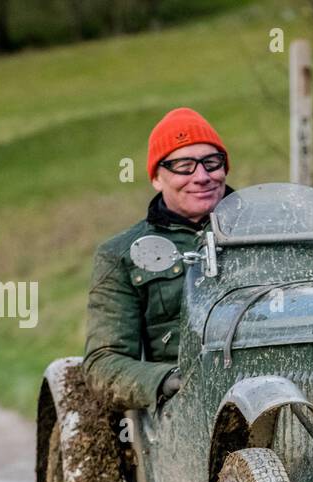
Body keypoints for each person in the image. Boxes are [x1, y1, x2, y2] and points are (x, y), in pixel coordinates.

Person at [83, 107, 233, 409]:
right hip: (183, 408)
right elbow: (102, 363)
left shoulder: (272, 230)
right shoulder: (120, 255)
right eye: (183, 166)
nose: (202, 176)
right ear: (156, 178)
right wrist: (169, 380)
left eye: (211, 163)